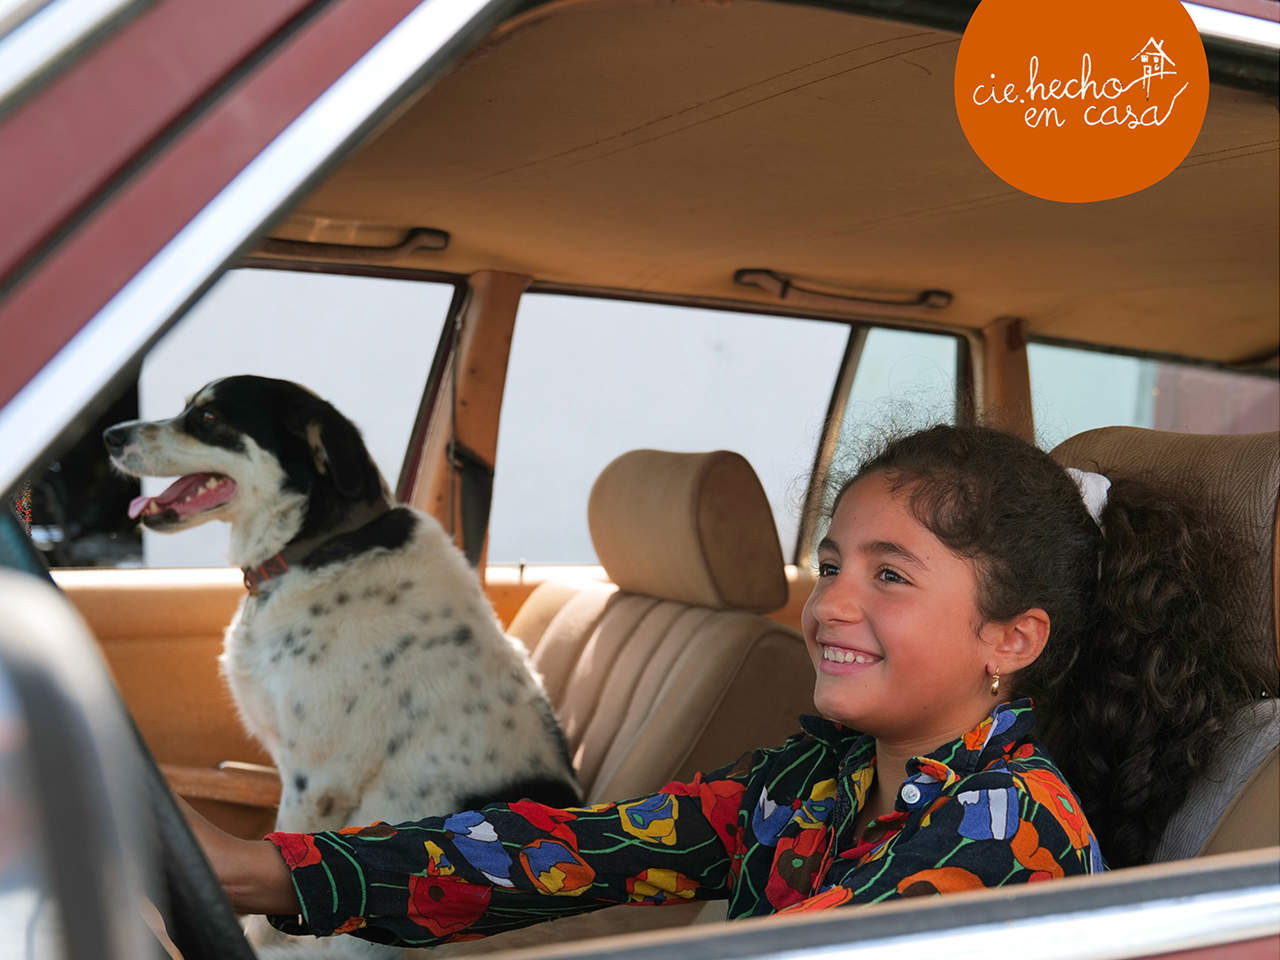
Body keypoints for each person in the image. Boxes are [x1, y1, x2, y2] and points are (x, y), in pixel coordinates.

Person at [183, 424, 1254, 948]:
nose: (832, 603)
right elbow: (564, 850)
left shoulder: (1004, 832)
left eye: (890, 576)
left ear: (1009, 638)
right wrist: (269, 874)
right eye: (831, 564)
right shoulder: (815, 781)